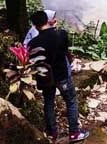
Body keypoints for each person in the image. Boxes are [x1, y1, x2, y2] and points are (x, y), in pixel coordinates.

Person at [27, 11, 89, 143]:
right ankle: (74, 133)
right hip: (62, 76)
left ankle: (52, 133)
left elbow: (33, 61)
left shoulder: (33, 43)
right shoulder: (61, 35)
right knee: (70, 100)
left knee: (48, 102)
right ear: (48, 20)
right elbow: (65, 51)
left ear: (34, 25)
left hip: (45, 77)